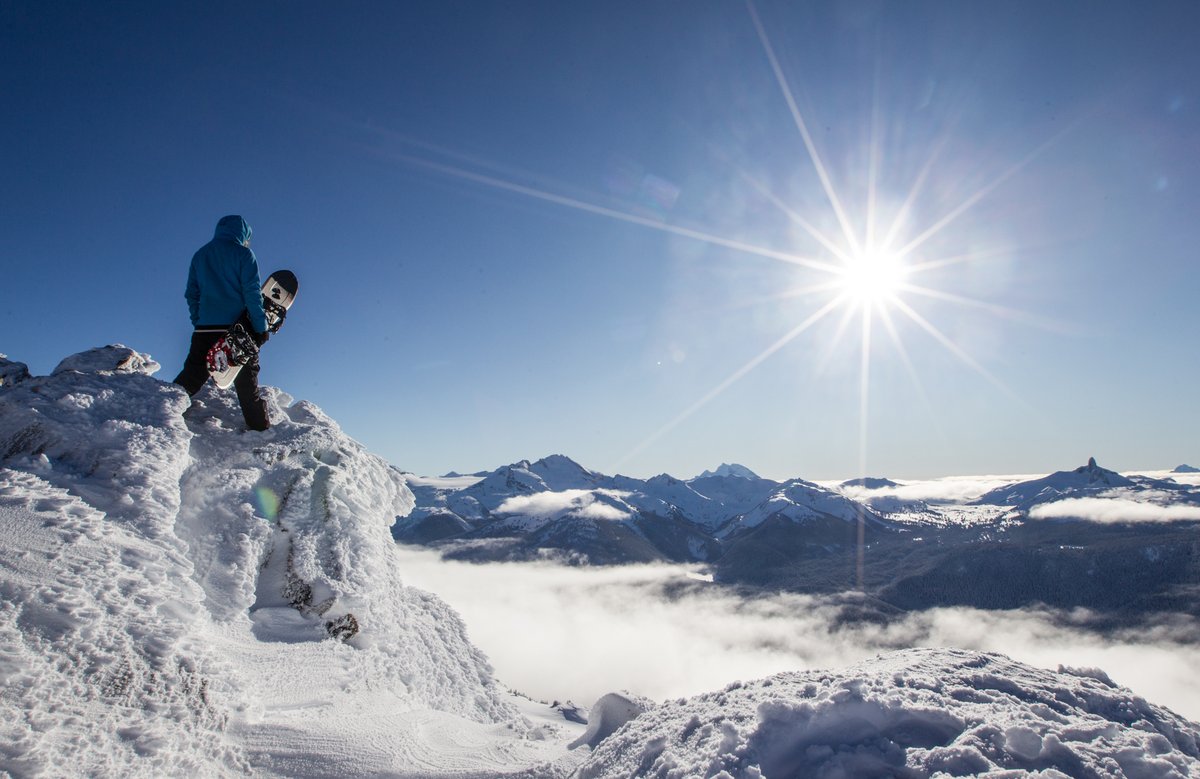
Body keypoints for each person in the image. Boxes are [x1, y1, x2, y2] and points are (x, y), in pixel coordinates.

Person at [173, 215, 271, 431]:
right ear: (244, 234)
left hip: (205, 328)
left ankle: (163, 407)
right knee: (247, 383)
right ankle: (260, 430)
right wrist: (260, 326)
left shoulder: (200, 255)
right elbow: (252, 293)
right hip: (237, 330)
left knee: (192, 375)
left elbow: (191, 294)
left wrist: (199, 320)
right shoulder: (244, 254)